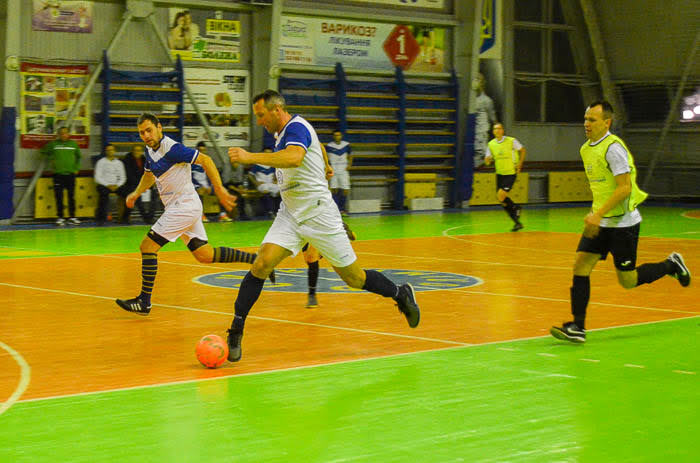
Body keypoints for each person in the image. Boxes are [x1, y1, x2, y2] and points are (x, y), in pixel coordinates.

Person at [225, 89, 420, 363]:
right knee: (261, 264)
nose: (259, 121)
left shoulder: (296, 127)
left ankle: (401, 293)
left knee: (354, 279)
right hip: (290, 214)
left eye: (261, 115)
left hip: (319, 215)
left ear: (276, 109)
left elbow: (293, 158)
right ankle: (236, 329)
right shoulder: (285, 133)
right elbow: (317, 147)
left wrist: (249, 157)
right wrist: (326, 165)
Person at [550, 100, 691, 343]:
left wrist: (597, 214)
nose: (587, 124)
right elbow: (602, 187)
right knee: (580, 266)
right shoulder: (586, 149)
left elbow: (624, 188)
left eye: (592, 120)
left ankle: (670, 265)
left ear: (607, 122)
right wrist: (597, 215)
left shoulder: (613, 148)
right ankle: (577, 327)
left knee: (627, 280)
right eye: (585, 119)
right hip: (601, 221)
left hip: (623, 224)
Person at [115, 113, 272, 315]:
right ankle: (256, 260)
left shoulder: (172, 148)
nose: (146, 135)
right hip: (182, 207)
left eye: (149, 130)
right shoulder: (149, 149)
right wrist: (136, 193)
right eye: (141, 133)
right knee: (205, 255)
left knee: (147, 246)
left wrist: (220, 190)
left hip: (183, 206)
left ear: (159, 127)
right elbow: (148, 174)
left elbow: (205, 160)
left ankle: (144, 302)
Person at [484, 122, 525, 232]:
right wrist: (487, 161)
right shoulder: (491, 144)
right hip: (500, 174)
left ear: (502, 130)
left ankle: (516, 208)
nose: (497, 130)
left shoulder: (511, 141)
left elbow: (522, 150)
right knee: (501, 199)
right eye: (495, 129)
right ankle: (517, 221)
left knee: (501, 195)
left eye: (499, 128)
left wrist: (520, 163)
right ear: (493, 132)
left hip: (510, 172)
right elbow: (488, 160)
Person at [41, 125, 81, 225]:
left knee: (71, 197)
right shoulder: (53, 144)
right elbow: (43, 152)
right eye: (61, 133)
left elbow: (79, 157)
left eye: (65, 133)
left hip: (70, 175)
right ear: (58, 135)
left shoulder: (73, 144)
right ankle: (60, 217)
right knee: (59, 197)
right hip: (58, 175)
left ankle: (72, 217)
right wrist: (51, 159)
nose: (64, 135)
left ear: (68, 134)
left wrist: (76, 169)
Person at [192, 141, 232, 223]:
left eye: (203, 150)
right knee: (199, 193)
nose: (202, 152)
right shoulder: (191, 162)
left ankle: (223, 215)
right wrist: (199, 186)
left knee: (221, 191)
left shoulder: (207, 161)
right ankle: (200, 215)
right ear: (197, 150)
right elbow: (189, 177)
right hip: (195, 185)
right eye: (200, 150)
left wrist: (210, 186)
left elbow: (212, 175)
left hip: (207, 185)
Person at [120, 144, 157, 224]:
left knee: (155, 193)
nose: (137, 152)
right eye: (136, 150)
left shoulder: (144, 159)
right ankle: (145, 218)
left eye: (139, 150)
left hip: (142, 183)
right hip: (130, 184)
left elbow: (148, 173)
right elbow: (129, 175)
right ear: (132, 151)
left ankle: (150, 216)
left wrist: (148, 183)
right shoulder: (127, 159)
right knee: (136, 195)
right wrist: (141, 186)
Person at [93, 143, 127, 225]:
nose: (110, 151)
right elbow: (97, 177)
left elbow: (123, 177)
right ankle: (101, 219)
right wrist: (108, 185)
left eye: (111, 150)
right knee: (103, 196)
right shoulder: (100, 162)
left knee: (128, 195)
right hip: (104, 185)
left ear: (114, 151)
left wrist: (117, 185)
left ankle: (124, 218)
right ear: (106, 151)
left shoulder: (119, 163)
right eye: (108, 150)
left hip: (116, 185)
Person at [472, 72, 497, 168]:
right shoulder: (469, 99)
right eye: (474, 79)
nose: (476, 81)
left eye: (478, 79)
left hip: (481, 131)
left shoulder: (487, 101)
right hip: (471, 131)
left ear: (482, 83)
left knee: (479, 151)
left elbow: (493, 118)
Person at [326, 129, 352, 215]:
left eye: (339, 135)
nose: (337, 137)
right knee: (334, 189)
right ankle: (336, 209)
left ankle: (342, 209)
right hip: (334, 171)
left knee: (345, 189)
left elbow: (351, 155)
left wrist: (349, 165)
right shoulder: (329, 146)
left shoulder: (346, 145)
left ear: (341, 136)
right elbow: (325, 158)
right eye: (336, 135)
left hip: (344, 170)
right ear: (333, 136)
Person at [249, 153, 281, 218]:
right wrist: (255, 183)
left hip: (271, 184)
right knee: (266, 191)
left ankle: (278, 212)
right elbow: (250, 175)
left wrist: (276, 180)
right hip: (262, 184)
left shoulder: (273, 165)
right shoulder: (257, 164)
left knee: (280, 192)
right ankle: (270, 212)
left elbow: (277, 175)